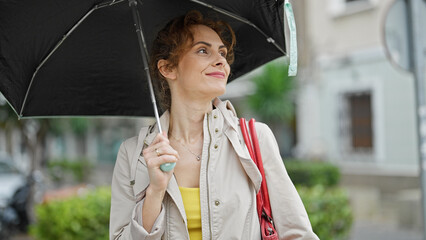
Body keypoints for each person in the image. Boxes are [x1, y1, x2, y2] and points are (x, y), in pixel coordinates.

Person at [109, 10, 318, 240]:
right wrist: (155, 192)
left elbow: (297, 234)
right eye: (202, 50)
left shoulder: (254, 139)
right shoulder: (133, 155)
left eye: (222, 52)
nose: (221, 61)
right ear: (167, 68)